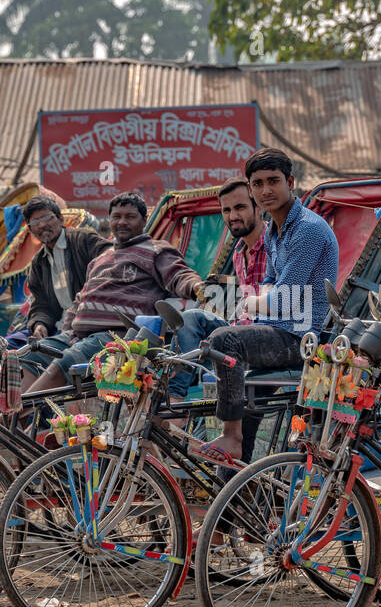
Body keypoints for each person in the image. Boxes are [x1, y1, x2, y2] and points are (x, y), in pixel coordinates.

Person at [206, 147, 339, 459]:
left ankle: (230, 435)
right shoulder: (274, 232)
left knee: (223, 340)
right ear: (251, 188)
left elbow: (284, 300)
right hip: (275, 331)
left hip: (303, 338)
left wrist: (249, 304)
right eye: (258, 183)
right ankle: (234, 494)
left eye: (273, 181)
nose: (266, 190)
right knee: (246, 402)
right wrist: (261, 301)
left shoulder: (307, 228)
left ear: (290, 182)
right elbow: (269, 280)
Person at [29, 191, 205, 392]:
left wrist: (197, 287)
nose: (122, 222)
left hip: (118, 337)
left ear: (144, 220)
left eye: (130, 217)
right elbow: (80, 300)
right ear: (110, 219)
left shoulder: (156, 250)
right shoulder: (100, 259)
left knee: (68, 361)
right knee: (28, 357)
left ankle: (14, 415)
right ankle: (17, 420)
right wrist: (68, 330)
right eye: (117, 217)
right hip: (77, 336)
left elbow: (179, 275)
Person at [167, 177, 267, 401]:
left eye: (240, 207)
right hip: (237, 328)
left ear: (258, 207)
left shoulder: (276, 244)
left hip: (267, 336)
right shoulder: (239, 252)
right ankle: (175, 399)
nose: (232, 216)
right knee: (189, 319)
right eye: (227, 210)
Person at [22, 194, 111, 339]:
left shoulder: (84, 240)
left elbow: (111, 258)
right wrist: (40, 324)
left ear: (61, 219)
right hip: (57, 328)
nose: (42, 225)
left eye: (47, 218)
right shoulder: (38, 263)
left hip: (88, 325)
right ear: (31, 230)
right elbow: (41, 304)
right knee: (10, 344)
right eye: (35, 221)